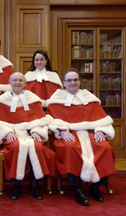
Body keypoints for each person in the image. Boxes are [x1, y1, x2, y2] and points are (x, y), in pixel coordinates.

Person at [46, 68, 116, 205]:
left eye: (76, 80)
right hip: (69, 133)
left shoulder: (90, 98)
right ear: (64, 83)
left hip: (90, 132)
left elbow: (103, 119)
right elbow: (50, 119)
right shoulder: (56, 99)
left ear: (80, 82)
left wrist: (101, 130)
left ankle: (95, 187)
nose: (73, 83)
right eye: (69, 80)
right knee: (70, 148)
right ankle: (77, 188)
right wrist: (61, 131)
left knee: (104, 147)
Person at [0, 72, 56, 200]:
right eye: (14, 80)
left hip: (30, 133)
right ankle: (17, 185)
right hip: (12, 133)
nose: (17, 83)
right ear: (10, 83)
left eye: (20, 80)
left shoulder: (33, 99)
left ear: (25, 83)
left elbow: (41, 120)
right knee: (16, 145)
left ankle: (34, 185)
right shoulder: (2, 100)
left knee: (36, 146)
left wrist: (36, 131)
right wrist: (7, 132)